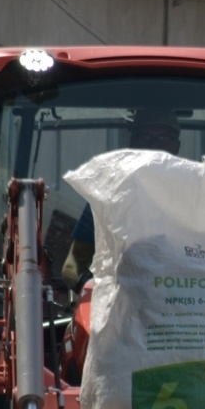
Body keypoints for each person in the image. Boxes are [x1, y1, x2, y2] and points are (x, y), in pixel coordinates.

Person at [62, 114, 181, 284]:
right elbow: (72, 267)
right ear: (133, 143)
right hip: (117, 299)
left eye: (164, 138)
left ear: (176, 146)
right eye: (146, 137)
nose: (154, 144)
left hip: (183, 299)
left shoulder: (197, 196)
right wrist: (90, 289)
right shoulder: (106, 196)